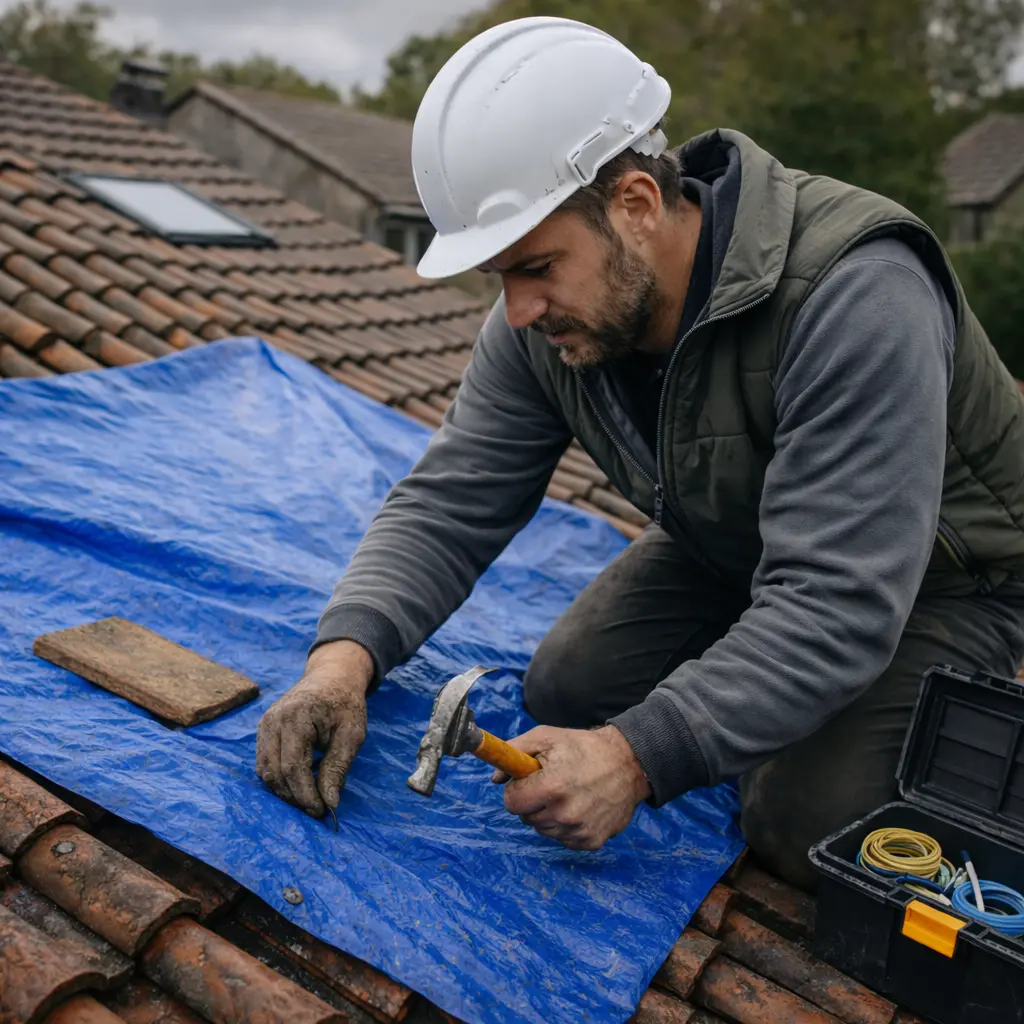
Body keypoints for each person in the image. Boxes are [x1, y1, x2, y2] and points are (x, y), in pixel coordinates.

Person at [255, 16, 1024, 889]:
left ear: (636, 203)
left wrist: (635, 757)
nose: (517, 311)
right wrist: (339, 665)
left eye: (537, 267)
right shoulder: (545, 320)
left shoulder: (856, 292)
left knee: (804, 818)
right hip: (734, 539)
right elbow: (450, 500)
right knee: (570, 689)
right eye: (498, 276)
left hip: (941, 580)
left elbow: (838, 599)